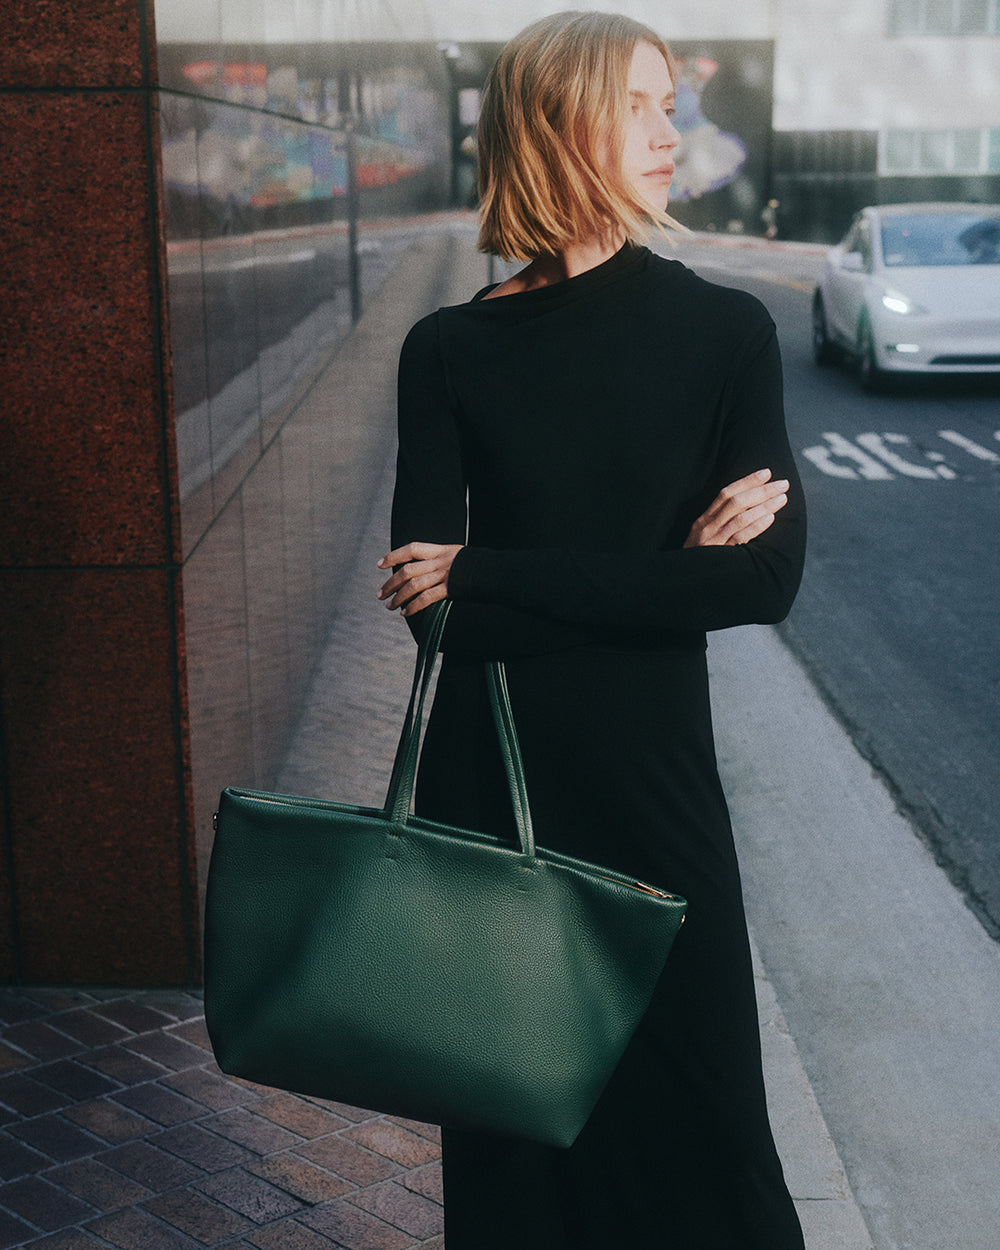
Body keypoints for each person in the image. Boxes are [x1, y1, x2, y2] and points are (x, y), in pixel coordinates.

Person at [377, 11, 806, 1248]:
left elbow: (761, 582)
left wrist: (497, 570)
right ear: (555, 118)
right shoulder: (448, 348)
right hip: (494, 786)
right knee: (519, 1144)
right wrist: (659, 574)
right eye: (637, 103)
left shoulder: (727, 334)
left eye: (673, 103)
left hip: (655, 790)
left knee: (713, 1135)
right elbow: (437, 623)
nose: (670, 132)